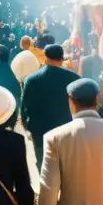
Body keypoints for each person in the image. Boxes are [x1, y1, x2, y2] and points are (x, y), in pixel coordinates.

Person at [20, 45, 80, 174]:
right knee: (65, 165)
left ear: (45, 58)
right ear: (62, 59)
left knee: (44, 165)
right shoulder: (74, 79)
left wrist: (26, 128)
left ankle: (46, 191)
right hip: (66, 129)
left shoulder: (31, 79)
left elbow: (24, 106)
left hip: (40, 130)